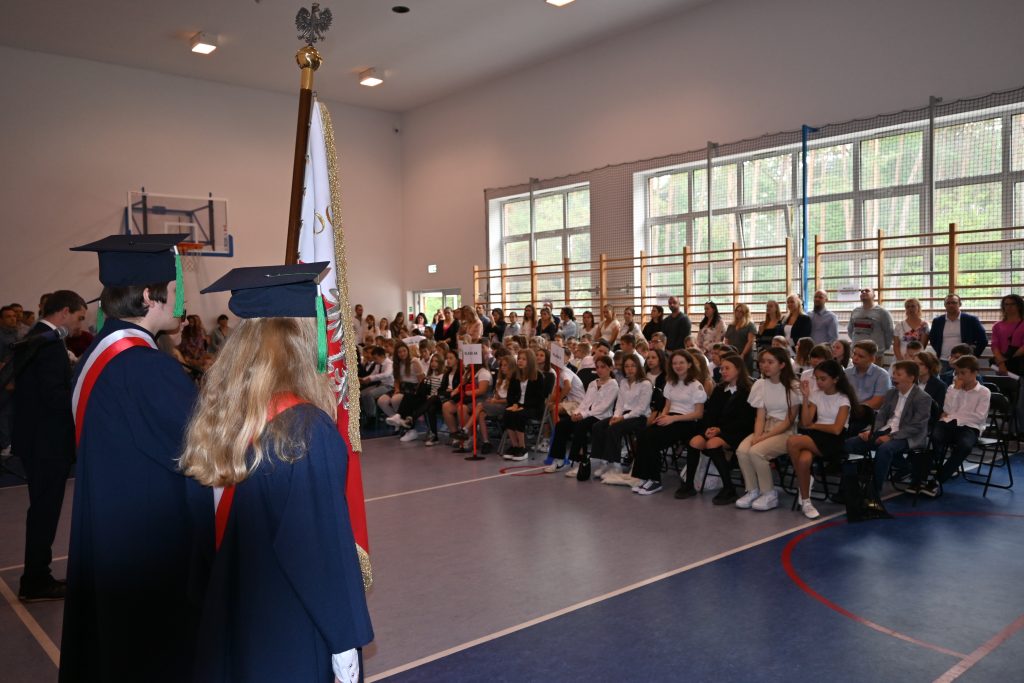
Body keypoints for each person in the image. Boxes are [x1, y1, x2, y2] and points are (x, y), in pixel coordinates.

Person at [180, 265, 373, 682]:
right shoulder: (304, 430)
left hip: (232, 604)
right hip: (288, 621)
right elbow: (319, 548)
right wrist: (345, 640)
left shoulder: (219, 419)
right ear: (301, 340)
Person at [61, 234, 211, 682]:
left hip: (113, 528)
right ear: (149, 296)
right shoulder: (145, 367)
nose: (181, 302)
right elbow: (199, 453)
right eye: (175, 290)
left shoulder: (100, 352)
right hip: (151, 543)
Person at [12, 290, 87, 601]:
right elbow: (54, 396)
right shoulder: (48, 343)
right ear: (64, 312)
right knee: (45, 510)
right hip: (47, 442)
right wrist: (83, 396)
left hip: (37, 438)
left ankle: (37, 575)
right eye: (79, 318)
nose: (80, 326)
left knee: (42, 509)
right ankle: (36, 579)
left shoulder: (37, 337)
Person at [846, 360, 933, 496]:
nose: (893, 377)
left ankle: (874, 491)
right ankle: (849, 487)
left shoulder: (923, 398)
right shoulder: (891, 393)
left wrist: (891, 437)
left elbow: (916, 426)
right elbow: (881, 416)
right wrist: (871, 431)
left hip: (907, 435)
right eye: (893, 373)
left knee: (885, 449)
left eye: (898, 374)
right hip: (886, 430)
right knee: (850, 443)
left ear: (911, 378)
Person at [678, 353, 755, 504]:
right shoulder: (720, 389)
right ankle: (689, 484)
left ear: (738, 369)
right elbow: (710, 413)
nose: (723, 371)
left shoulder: (748, 391)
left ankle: (729, 488)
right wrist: (709, 428)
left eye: (727, 368)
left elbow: (745, 420)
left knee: (712, 444)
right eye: (721, 369)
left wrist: (719, 431)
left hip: (738, 431)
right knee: (694, 442)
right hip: (716, 430)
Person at [910, 355, 991, 497]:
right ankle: (921, 476)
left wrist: (957, 415)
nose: (959, 376)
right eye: (957, 373)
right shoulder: (952, 388)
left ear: (975, 373)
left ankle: (937, 480)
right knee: (932, 438)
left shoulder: (984, 392)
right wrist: (956, 391)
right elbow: (947, 409)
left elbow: (979, 416)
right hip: (948, 423)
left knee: (965, 446)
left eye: (963, 373)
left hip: (970, 427)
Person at [786, 360, 858, 518]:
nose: (818, 382)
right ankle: (806, 501)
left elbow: (836, 429)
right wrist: (806, 398)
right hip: (817, 436)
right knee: (803, 461)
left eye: (823, 379)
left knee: (792, 441)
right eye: (817, 378)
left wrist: (813, 426)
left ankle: (805, 480)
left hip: (834, 440)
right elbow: (805, 421)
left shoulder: (843, 399)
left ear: (835, 379)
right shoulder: (817, 395)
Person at [630, 350, 708, 495]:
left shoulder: (696, 385)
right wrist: (662, 416)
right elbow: (667, 406)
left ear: (689, 364)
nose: (678, 366)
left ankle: (655, 481)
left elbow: (699, 414)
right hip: (670, 418)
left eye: (681, 363)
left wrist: (672, 419)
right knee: (643, 435)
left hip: (687, 422)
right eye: (674, 363)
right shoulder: (671, 382)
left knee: (652, 439)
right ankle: (644, 476)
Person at [734, 348, 801, 512]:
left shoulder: (793, 386)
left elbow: (789, 421)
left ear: (782, 364)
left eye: (770, 362)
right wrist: (757, 436)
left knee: (756, 452)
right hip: (765, 428)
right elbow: (760, 417)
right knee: (742, 451)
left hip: (785, 432)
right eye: (763, 362)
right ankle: (752, 490)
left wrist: (762, 439)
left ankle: (769, 493)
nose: (765, 365)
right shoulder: (760, 384)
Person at [544, 356, 618, 477]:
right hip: (587, 414)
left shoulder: (613, 385)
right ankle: (558, 459)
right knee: (561, 424)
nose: (599, 370)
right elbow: (585, 402)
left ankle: (579, 461)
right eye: (597, 367)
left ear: (610, 368)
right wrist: (576, 413)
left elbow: (603, 407)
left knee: (581, 426)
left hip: (601, 417)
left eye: (603, 367)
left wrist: (582, 415)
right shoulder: (593, 383)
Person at [589, 355, 652, 479]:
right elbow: (620, 404)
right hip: (623, 415)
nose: (630, 369)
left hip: (639, 417)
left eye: (633, 366)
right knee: (598, 426)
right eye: (627, 366)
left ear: (638, 367)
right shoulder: (623, 382)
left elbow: (641, 408)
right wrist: (616, 416)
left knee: (614, 428)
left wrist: (622, 418)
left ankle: (615, 466)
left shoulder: (645, 384)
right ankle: (603, 462)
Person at [502, 349, 546, 459]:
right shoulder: (515, 375)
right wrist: (514, 404)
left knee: (519, 415)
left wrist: (522, 406)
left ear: (530, 361)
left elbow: (539, 398)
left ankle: (522, 447)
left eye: (524, 359)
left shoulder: (538, 376)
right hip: (518, 405)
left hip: (533, 408)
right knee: (507, 413)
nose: (520, 361)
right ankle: (514, 445)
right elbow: (510, 395)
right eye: (519, 359)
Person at [928, 293, 988, 368]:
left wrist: (972, 356)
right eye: (948, 303)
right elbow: (932, 339)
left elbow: (983, 340)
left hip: (964, 362)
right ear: (944, 305)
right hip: (943, 361)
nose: (951, 305)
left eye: (954, 303)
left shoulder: (971, 320)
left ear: (960, 304)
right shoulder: (937, 321)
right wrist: (939, 351)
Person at [848, 288, 894, 363]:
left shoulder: (882, 312)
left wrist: (881, 349)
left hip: (875, 354)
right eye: (862, 291)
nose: (863, 292)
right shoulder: (855, 311)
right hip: (857, 353)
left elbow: (889, 332)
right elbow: (850, 330)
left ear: (874, 295)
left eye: (867, 291)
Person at [845, 340, 891, 410]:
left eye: (861, 356)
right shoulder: (847, 372)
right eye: (854, 354)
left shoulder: (882, 375)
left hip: (870, 412)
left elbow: (877, 403)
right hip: (848, 409)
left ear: (872, 359)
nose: (855, 358)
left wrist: (855, 410)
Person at [991, 294, 1024, 376]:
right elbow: (994, 345)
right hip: (1002, 364)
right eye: (1006, 304)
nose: (1009, 307)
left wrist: (1008, 360)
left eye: (1012, 304)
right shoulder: (997, 325)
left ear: (1019, 306)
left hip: (1020, 363)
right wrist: (1001, 363)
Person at [725, 302, 757, 371]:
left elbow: (750, 341)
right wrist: (728, 352)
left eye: (741, 311)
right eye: (737, 311)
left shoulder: (750, 325)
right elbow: (726, 340)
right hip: (732, 355)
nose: (738, 313)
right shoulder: (731, 325)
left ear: (745, 313)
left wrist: (743, 354)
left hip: (745, 356)